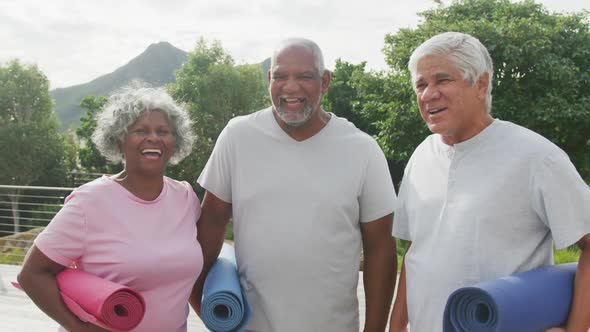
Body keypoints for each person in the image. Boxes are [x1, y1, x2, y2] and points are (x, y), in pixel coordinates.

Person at [191, 38, 397, 332]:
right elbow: (210, 225)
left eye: (304, 76)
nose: (291, 87)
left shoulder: (362, 149)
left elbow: (380, 248)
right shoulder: (238, 137)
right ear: (269, 80)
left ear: (325, 81)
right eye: (280, 76)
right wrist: (204, 309)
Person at [388, 31, 590, 332]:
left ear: (480, 84)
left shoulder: (537, 157)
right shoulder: (420, 156)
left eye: (442, 80)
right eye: (421, 84)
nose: (428, 94)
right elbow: (416, 251)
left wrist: (575, 330)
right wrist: (396, 326)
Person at [17, 84, 203, 332]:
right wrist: (76, 326)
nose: (154, 138)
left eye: (163, 131)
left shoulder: (185, 197)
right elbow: (32, 274)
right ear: (119, 139)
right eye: (140, 130)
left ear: (175, 141)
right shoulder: (90, 202)